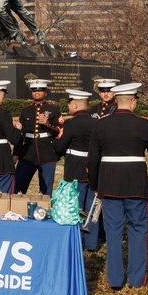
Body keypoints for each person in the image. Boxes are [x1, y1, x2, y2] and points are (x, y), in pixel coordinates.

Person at [87, 83, 148, 290]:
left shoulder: (101, 124)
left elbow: (92, 160)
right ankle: (136, 279)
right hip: (136, 185)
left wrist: (96, 186)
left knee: (113, 232)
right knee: (138, 230)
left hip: (109, 184)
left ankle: (114, 280)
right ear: (132, 101)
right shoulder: (144, 124)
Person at [54, 89, 99, 251]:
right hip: (93, 168)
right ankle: (92, 243)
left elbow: (60, 147)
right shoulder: (96, 122)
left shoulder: (71, 124)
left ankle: (76, 241)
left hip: (75, 168)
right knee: (92, 207)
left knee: (74, 207)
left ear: (74, 105)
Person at [15, 78, 63, 195]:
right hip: (28, 154)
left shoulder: (53, 109)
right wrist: (16, 153)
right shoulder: (26, 110)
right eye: (34, 90)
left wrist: (48, 124)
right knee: (18, 188)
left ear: (45, 92)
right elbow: (21, 134)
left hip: (47, 154)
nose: (37, 92)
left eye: (40, 90)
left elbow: (59, 131)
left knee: (45, 191)